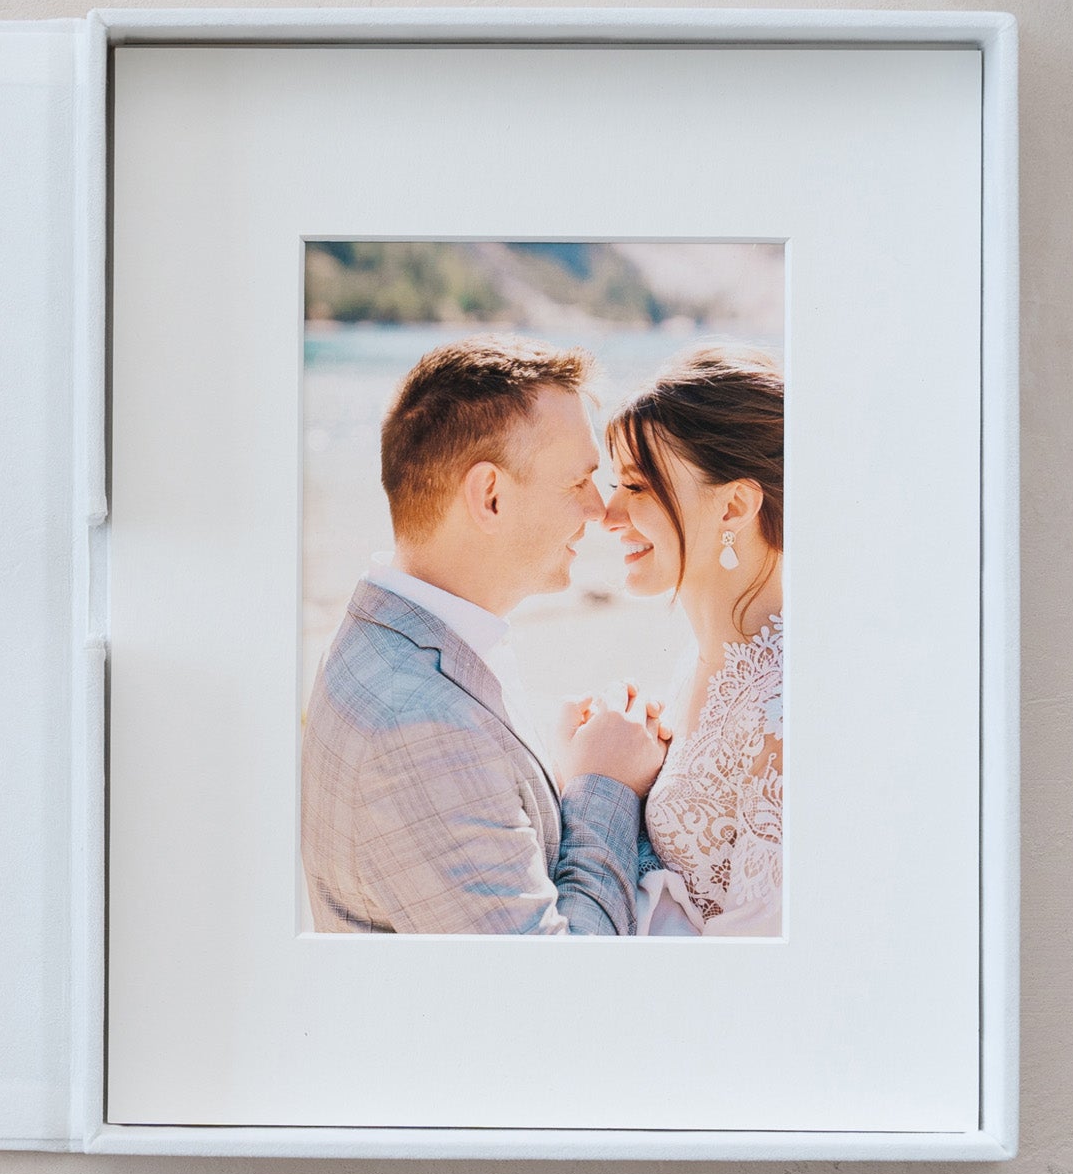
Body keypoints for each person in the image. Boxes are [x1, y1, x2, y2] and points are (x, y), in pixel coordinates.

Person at [301, 338, 670, 935]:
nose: (600, 509)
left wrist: (553, 765)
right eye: (578, 481)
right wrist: (602, 787)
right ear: (490, 497)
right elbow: (551, 1001)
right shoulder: (417, 724)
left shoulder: (402, 635)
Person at [602, 342, 784, 937]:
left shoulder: (786, 707)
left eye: (637, 486)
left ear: (734, 505)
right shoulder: (709, 656)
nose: (608, 515)